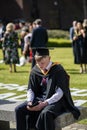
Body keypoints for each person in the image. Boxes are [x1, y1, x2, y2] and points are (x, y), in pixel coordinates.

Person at [15, 48, 80, 130]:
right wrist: (30, 101)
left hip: (56, 100)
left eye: (42, 63)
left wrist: (45, 103)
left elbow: (59, 93)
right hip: (39, 98)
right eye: (37, 62)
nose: (40, 65)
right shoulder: (36, 70)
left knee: (46, 113)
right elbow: (31, 89)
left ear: (49, 58)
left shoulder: (58, 70)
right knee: (19, 109)